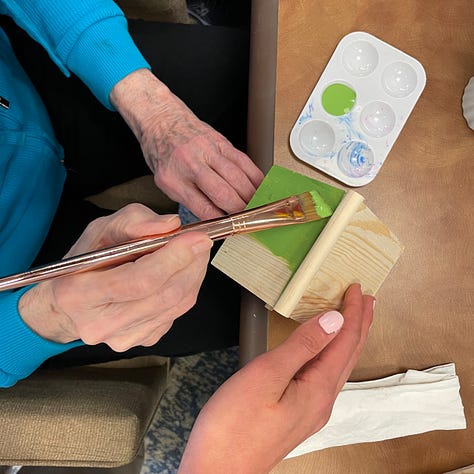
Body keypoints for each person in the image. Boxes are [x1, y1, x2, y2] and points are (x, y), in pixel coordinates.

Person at [0, 0, 375, 469]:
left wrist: (155, 111)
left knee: (282, 78)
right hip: (25, 279)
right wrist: (42, 320)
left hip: (29, 82)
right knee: (263, 316)